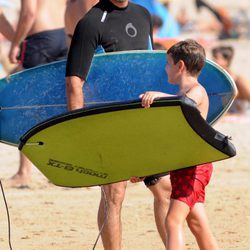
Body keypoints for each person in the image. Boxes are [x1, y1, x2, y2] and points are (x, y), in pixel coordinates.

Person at [65, 0, 171, 248]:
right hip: (109, 120)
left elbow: (150, 65)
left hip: (143, 116)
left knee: (164, 189)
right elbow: (74, 82)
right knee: (114, 194)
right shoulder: (91, 22)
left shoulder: (143, 14)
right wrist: (78, 133)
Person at [140, 39, 219, 249]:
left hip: (195, 166)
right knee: (197, 223)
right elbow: (172, 139)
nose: (166, 68)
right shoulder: (178, 95)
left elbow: (188, 105)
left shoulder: (196, 91)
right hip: (183, 165)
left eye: (168, 63)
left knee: (172, 221)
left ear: (180, 66)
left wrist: (159, 96)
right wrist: (145, 167)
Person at [8, 0, 68, 188]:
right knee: (56, 105)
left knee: (27, 104)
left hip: (39, 39)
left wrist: (15, 44)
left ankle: (24, 172)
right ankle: (62, 168)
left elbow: (29, 14)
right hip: (62, 35)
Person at [212, 45, 250, 114]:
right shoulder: (215, 82)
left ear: (226, 60)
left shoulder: (239, 81)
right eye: (213, 57)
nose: (213, 60)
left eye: (216, 57)